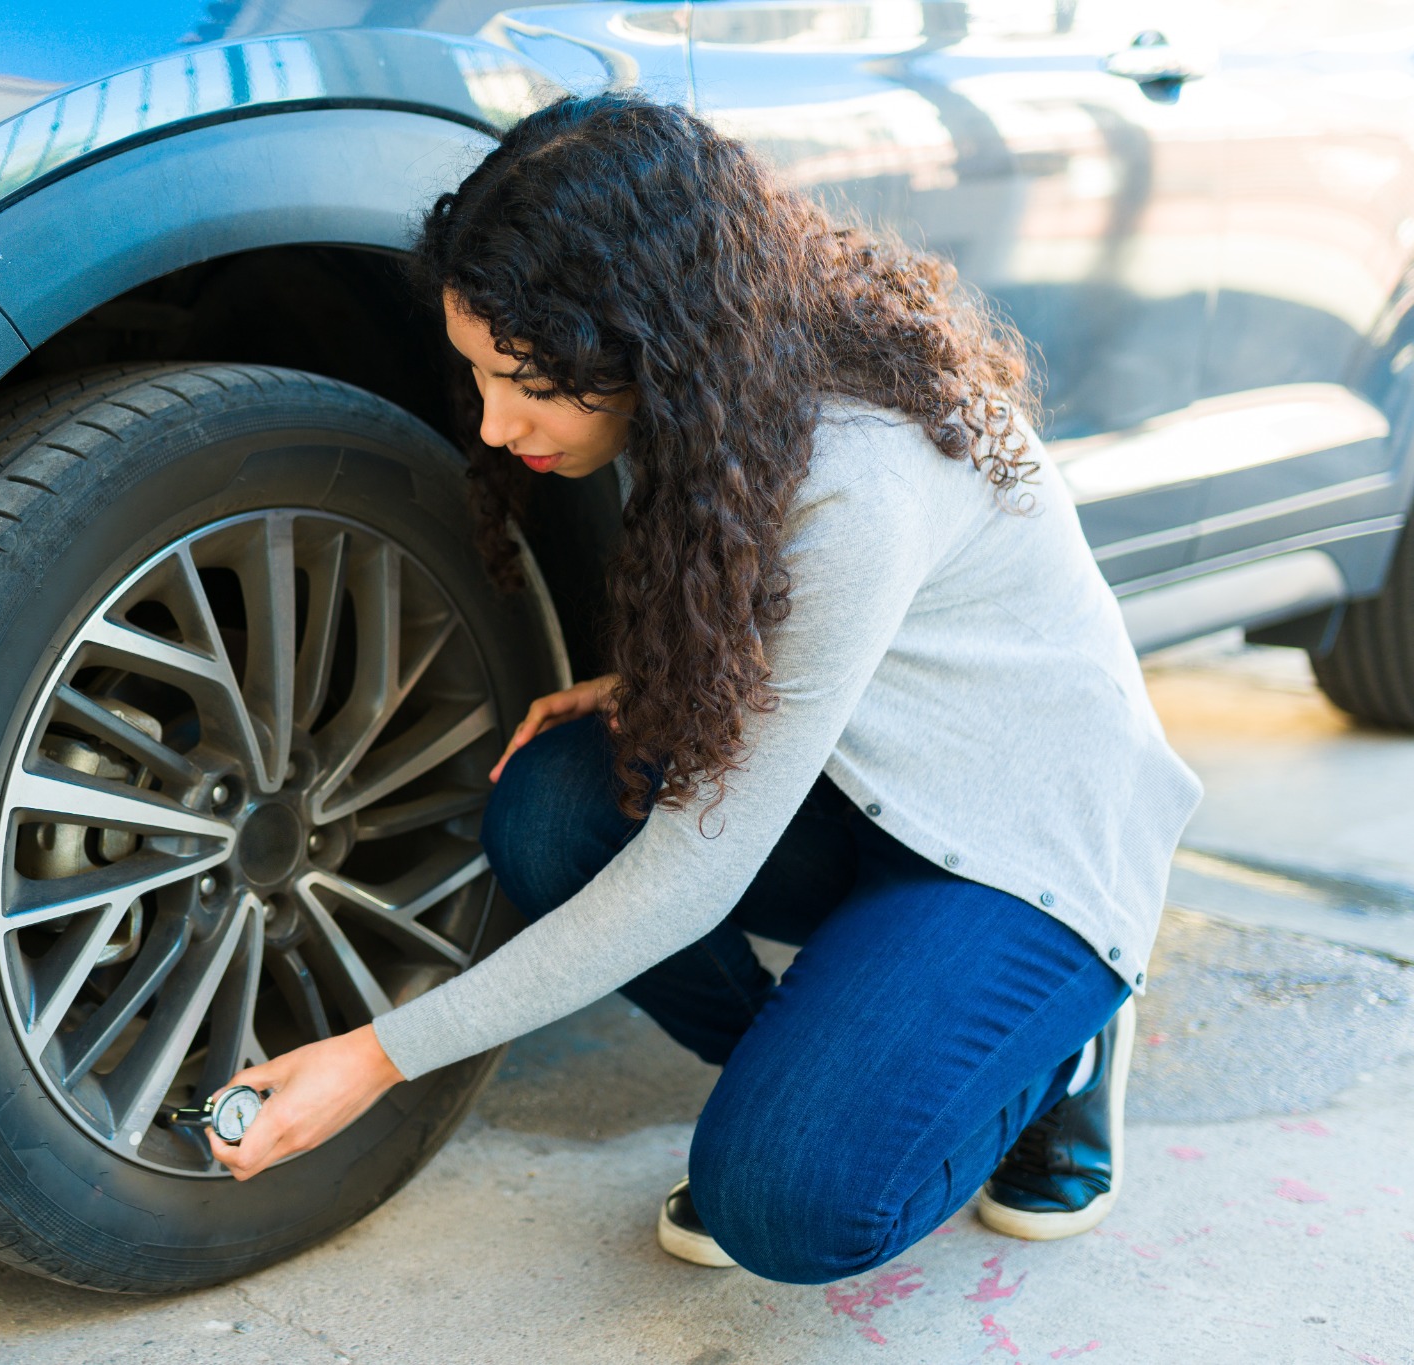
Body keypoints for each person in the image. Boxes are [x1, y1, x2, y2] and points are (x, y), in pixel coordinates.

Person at [204, 92, 1202, 1285]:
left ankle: (1049, 1053)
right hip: (864, 777)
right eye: (480, 374)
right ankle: (836, 1077)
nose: (495, 420)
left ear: (652, 336)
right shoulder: (718, 394)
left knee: (784, 1207)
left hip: (1021, 843)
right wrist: (652, 678)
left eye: (527, 380)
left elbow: (692, 873)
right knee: (555, 804)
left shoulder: (857, 471)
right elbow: (810, 629)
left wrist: (374, 1057)